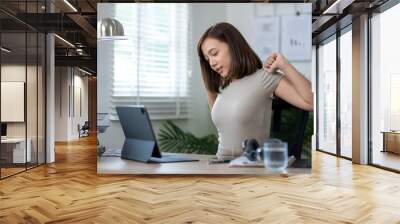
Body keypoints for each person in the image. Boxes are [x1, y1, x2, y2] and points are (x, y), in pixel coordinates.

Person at [197, 22, 313, 159]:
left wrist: (284, 65)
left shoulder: (265, 77)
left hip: (249, 169)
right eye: (207, 59)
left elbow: (311, 102)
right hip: (220, 165)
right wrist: (209, 86)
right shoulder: (223, 87)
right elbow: (225, 124)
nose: (211, 63)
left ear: (233, 46)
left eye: (214, 53)